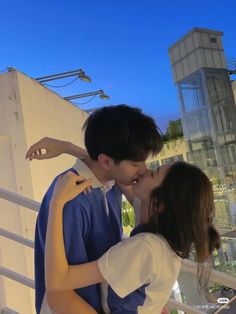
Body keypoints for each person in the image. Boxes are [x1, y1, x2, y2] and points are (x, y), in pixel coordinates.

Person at [27, 105, 163, 314]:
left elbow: (102, 162)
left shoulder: (113, 183)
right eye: (137, 164)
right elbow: (64, 288)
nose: (144, 170)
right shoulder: (72, 198)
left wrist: (68, 147)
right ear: (106, 161)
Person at [44, 161, 221, 314]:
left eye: (153, 173)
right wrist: (66, 147)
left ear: (160, 203)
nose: (143, 170)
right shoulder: (162, 237)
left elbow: (58, 281)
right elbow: (112, 165)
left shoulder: (146, 248)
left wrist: (57, 203)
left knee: (56, 296)